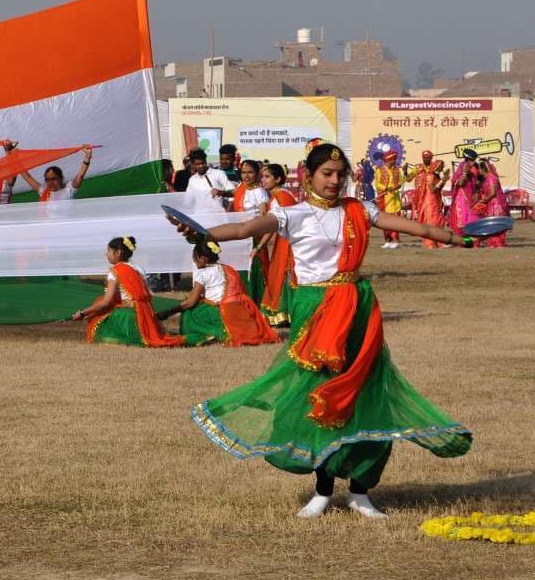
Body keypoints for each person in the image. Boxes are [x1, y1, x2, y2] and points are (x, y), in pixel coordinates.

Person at [179, 143, 476, 519]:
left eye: (340, 175)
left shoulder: (358, 210)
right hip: (314, 311)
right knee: (319, 399)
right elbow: (242, 227)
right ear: (309, 175)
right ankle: (322, 489)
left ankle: (361, 491)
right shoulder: (291, 215)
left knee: (367, 393)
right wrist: (201, 233)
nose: (335, 181)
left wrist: (458, 237)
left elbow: (415, 227)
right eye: (327, 174)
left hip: (358, 308)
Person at [71, 236, 185, 348]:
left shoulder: (115, 272)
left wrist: (83, 313)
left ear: (118, 253)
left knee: (100, 308)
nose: (106, 254)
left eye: (109, 251)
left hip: (129, 316)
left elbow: (106, 302)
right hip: (146, 314)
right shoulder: (138, 269)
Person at [167, 239, 279, 347]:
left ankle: (207, 333)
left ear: (203, 259)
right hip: (240, 311)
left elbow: (190, 302)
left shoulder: (202, 274)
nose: (194, 262)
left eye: (195, 258)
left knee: (189, 311)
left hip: (220, 312)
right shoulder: (229, 269)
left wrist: (170, 311)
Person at [257, 163, 297, 327]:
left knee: (282, 274)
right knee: (285, 275)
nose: (263, 180)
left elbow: (273, 227)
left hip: (287, 242)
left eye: (267, 177)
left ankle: (283, 314)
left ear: (278, 179)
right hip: (287, 240)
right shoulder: (281, 195)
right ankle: (286, 314)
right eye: (262, 177)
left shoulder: (279, 198)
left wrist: (259, 246)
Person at [230, 160, 270, 304]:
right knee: (240, 268)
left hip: (253, 235)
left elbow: (265, 217)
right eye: (243, 172)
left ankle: (256, 301)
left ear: (257, 174)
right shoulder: (242, 187)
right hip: (239, 234)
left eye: (250, 172)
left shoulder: (259, 192)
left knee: (253, 269)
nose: (246, 176)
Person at [14, 146, 95, 201]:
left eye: (53, 179)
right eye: (47, 180)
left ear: (61, 178)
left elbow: (80, 176)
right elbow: (28, 177)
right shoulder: (44, 192)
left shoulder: (69, 189)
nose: (50, 182)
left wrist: (87, 157)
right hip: (46, 226)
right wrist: (15, 159)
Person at [411, 151, 448, 248]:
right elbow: (432, 189)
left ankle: (439, 241)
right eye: (440, 168)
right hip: (428, 201)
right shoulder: (430, 175)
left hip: (435, 200)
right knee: (431, 221)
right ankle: (430, 243)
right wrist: (443, 180)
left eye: (427, 157)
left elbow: (438, 188)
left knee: (438, 220)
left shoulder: (435, 175)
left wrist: (443, 180)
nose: (441, 169)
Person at [373, 151, 407, 248]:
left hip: (395, 199)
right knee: (385, 220)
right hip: (385, 199)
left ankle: (395, 240)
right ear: (390, 159)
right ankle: (387, 240)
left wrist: (398, 184)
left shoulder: (397, 169)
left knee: (395, 219)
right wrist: (386, 188)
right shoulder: (379, 170)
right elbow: (377, 184)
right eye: (394, 159)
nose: (395, 161)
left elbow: (401, 181)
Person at [475, 159, 509, 249]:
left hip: (495, 203)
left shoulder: (491, 178)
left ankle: (498, 243)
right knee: (491, 223)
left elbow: (493, 192)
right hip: (491, 202)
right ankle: (493, 243)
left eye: (479, 169)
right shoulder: (486, 178)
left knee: (495, 223)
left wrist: (484, 200)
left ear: (484, 169)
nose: (478, 171)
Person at [448, 150, 481, 234]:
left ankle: (471, 240)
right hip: (462, 195)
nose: (473, 162)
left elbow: (478, 181)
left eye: (474, 160)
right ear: (466, 159)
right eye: (471, 160)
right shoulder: (463, 166)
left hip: (472, 195)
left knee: (472, 217)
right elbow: (459, 182)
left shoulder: (475, 167)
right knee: (463, 218)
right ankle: (464, 241)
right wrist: (465, 173)